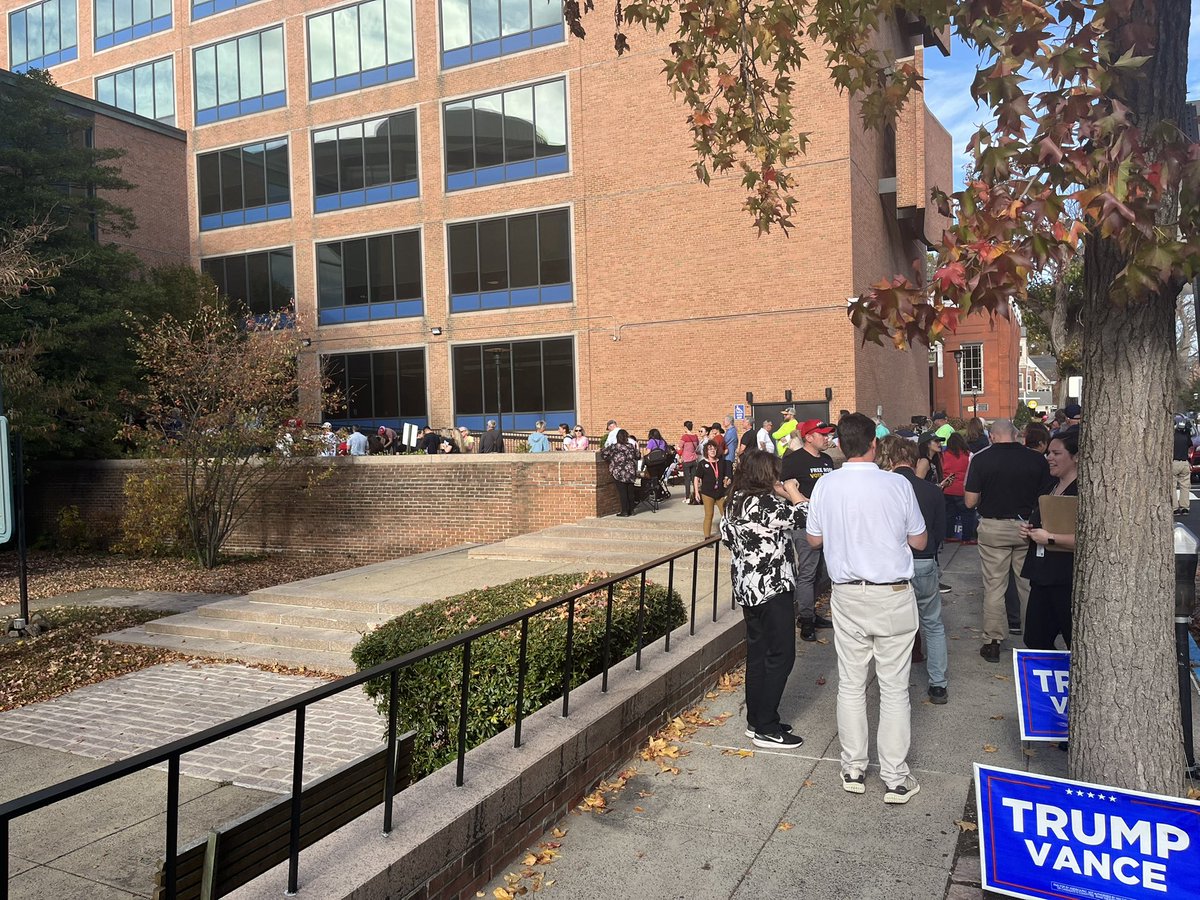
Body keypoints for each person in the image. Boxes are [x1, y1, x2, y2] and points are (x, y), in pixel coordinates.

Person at [806, 413, 927, 803]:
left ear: (840, 445)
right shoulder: (897, 484)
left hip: (847, 593)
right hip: (891, 593)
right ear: (874, 444)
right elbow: (920, 540)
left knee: (851, 683)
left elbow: (813, 539)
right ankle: (894, 776)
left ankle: (853, 766)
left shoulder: (826, 485)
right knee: (894, 688)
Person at [720, 449, 807, 750]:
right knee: (782, 654)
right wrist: (792, 492)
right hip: (773, 587)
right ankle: (767, 727)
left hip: (748, 587)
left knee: (758, 653)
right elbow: (809, 516)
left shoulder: (735, 501)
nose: (778, 478)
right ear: (764, 475)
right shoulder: (764, 503)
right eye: (774, 473)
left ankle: (756, 719)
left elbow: (728, 539)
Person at [964, 419, 1052, 662]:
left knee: (994, 586)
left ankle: (993, 641)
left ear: (992, 436)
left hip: (993, 527)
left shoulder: (981, 459)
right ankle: (1034, 640)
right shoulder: (1036, 459)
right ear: (1016, 435)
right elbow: (1046, 498)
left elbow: (970, 501)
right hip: (1027, 526)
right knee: (1028, 586)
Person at [877, 436, 949, 704]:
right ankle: (938, 683)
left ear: (890, 459)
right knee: (933, 623)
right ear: (914, 459)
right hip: (924, 560)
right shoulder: (931, 490)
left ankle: (894, 683)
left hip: (892, 564)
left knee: (893, 628)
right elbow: (940, 531)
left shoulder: (882, 489)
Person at [1020, 431, 1078, 650]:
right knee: (1035, 639)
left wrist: (1050, 538)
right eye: (1048, 453)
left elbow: (1090, 540)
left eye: (1056, 453)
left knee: (1074, 640)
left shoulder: (1083, 491)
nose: (1049, 458)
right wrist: (1029, 533)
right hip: (1041, 575)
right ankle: (1052, 672)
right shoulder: (1050, 486)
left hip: (1067, 578)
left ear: (1076, 457)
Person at [781, 419, 837, 641]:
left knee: (821, 572)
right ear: (809, 437)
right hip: (804, 524)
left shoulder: (827, 460)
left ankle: (811, 612)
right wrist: (800, 500)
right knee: (807, 572)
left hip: (827, 523)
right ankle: (805, 620)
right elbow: (779, 486)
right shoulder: (793, 460)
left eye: (828, 434)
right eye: (822, 434)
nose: (827, 438)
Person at [941, 432, 974, 544]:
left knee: (949, 514)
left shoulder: (943, 455)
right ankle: (966, 538)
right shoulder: (969, 455)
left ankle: (949, 535)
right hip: (962, 490)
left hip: (947, 489)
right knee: (967, 514)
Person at [694, 440, 732, 538]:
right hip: (707, 493)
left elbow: (727, 474)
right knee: (709, 514)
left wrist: (727, 479)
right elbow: (696, 478)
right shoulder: (702, 463)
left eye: (714, 449)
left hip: (720, 492)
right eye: (710, 449)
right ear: (706, 451)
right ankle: (707, 537)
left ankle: (728, 534)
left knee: (725, 513)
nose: (712, 451)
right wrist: (696, 492)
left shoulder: (721, 462)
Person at [602, 429, 639, 517]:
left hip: (618, 471)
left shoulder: (614, 447)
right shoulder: (630, 446)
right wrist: (637, 447)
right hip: (630, 471)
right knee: (630, 492)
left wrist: (612, 459)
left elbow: (603, 454)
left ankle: (624, 511)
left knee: (622, 492)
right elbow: (638, 456)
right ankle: (632, 510)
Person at [679, 421, 701, 504]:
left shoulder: (684, 437)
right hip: (694, 459)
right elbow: (697, 446)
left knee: (687, 479)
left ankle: (687, 497)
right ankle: (696, 495)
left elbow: (680, 447)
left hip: (686, 460)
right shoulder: (695, 437)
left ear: (685, 427)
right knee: (694, 478)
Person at [1174, 415, 1191, 516]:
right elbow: (1190, 444)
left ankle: (1174, 508)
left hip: (1174, 462)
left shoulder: (1172, 436)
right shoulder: (1186, 435)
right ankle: (1185, 507)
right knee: (1185, 486)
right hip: (1184, 462)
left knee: (1172, 485)